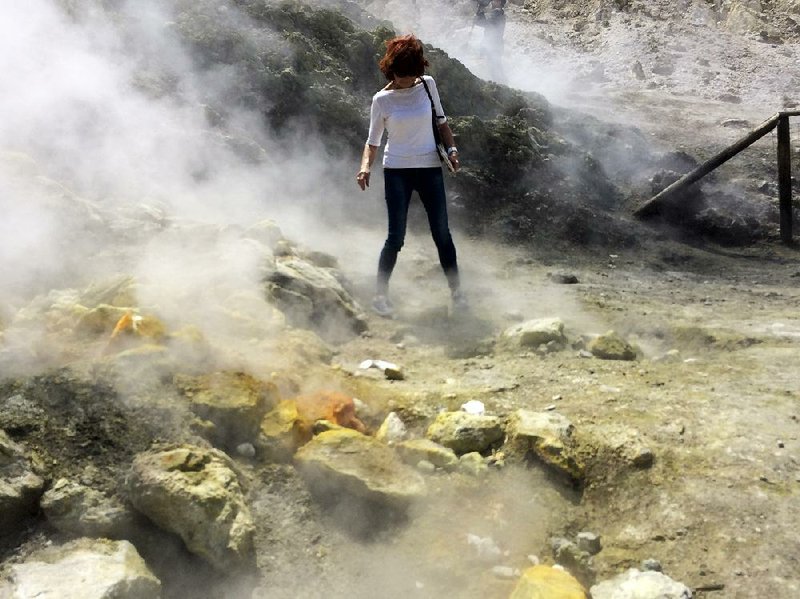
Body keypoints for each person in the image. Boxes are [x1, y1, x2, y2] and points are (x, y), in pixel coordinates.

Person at [356, 34, 465, 318]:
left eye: (411, 74)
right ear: (390, 70)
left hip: (430, 168)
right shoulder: (381, 100)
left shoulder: (428, 86)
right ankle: (380, 296)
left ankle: (457, 293)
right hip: (397, 172)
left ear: (420, 70)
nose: (406, 81)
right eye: (401, 75)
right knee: (396, 237)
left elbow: (442, 124)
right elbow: (372, 141)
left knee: (442, 233)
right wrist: (365, 166)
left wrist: (452, 151)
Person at [474, 0, 507, 82]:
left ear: (499, 2)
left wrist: (480, 12)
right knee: (496, 68)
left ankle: (501, 87)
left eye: (494, 0)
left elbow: (483, 23)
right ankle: (503, 85)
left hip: (493, 46)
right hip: (496, 45)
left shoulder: (496, 13)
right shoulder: (500, 13)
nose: (491, 2)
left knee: (495, 70)